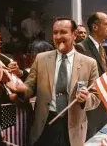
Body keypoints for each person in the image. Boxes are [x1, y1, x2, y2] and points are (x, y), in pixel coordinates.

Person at [16, 17, 100, 146]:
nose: (58, 36)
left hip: (73, 128)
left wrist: (86, 99)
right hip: (45, 126)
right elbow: (29, 86)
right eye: (55, 32)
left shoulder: (89, 63)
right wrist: (21, 90)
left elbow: (96, 98)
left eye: (63, 32)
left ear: (74, 34)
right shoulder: (41, 59)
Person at [74, 12, 107, 140]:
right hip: (90, 111)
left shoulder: (102, 48)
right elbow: (80, 81)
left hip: (103, 107)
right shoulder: (81, 48)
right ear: (95, 27)